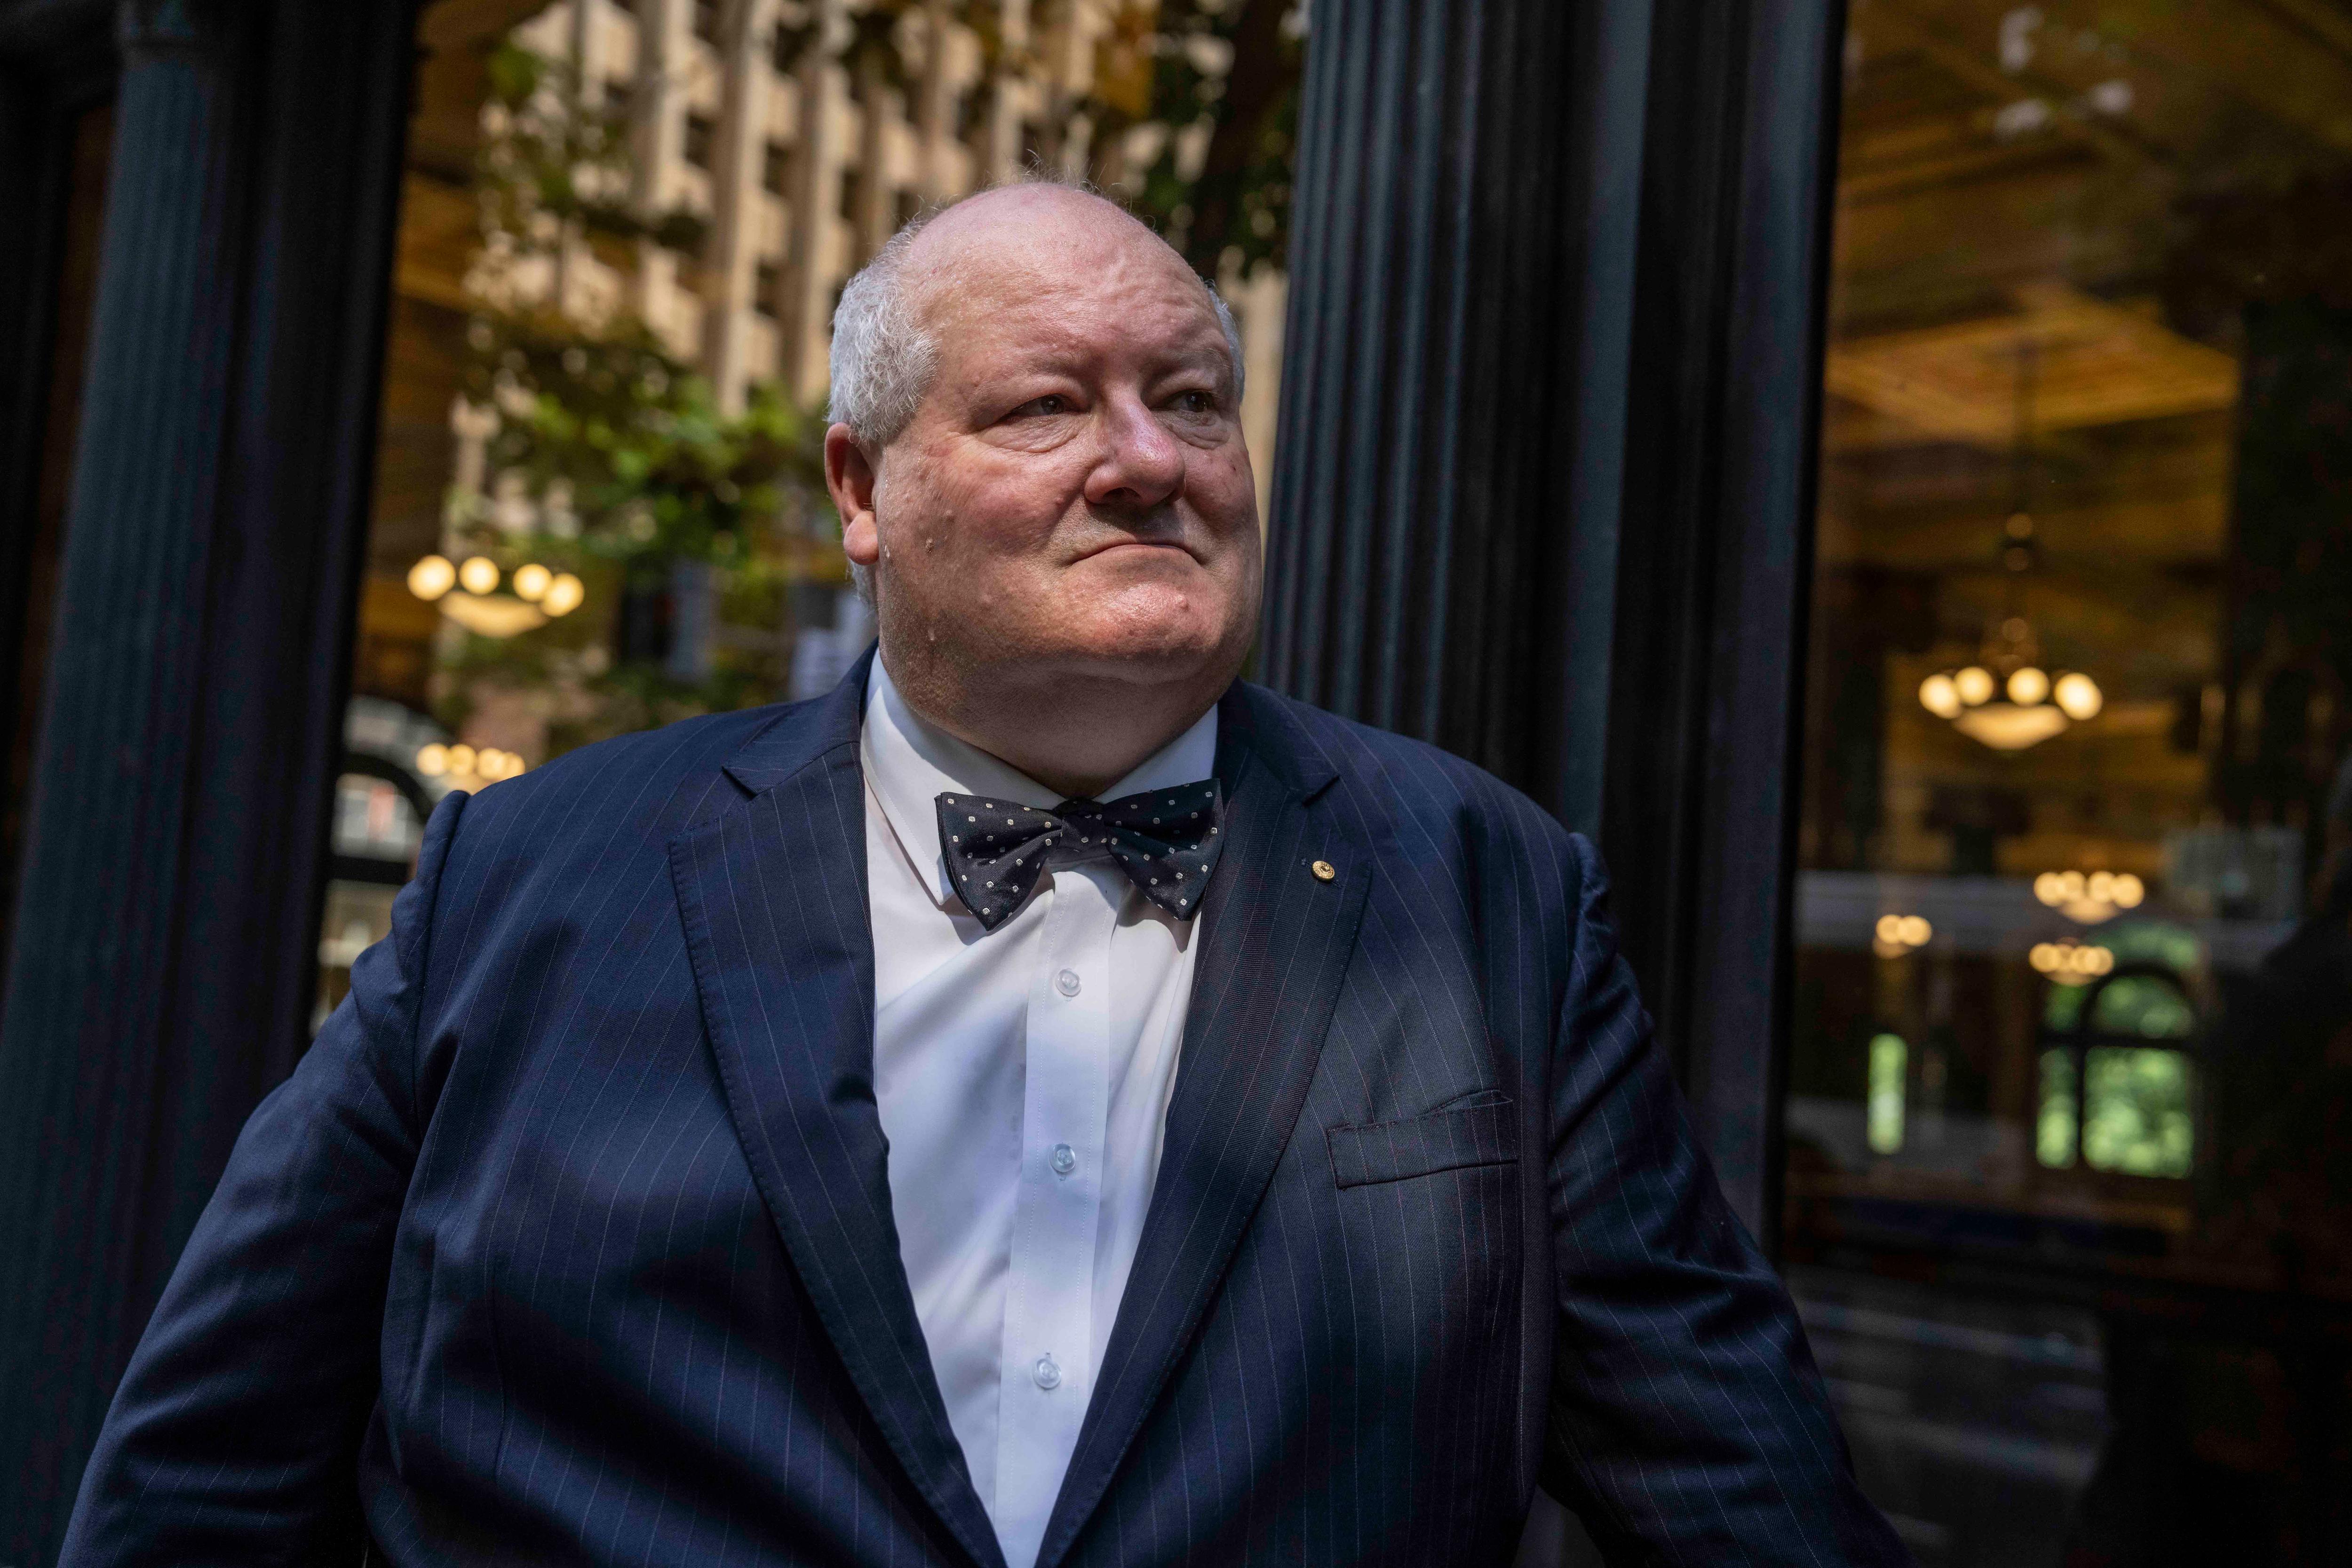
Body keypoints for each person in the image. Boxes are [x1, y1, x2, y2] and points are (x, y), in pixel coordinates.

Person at [62, 183, 1902, 1567]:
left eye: (1191, 401)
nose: (1144, 460)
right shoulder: (524, 876)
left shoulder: (1486, 885)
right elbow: (208, 1467)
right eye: (1046, 406)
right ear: (863, 490)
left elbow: (1738, 1492)